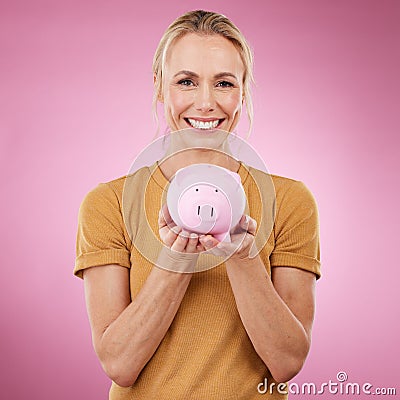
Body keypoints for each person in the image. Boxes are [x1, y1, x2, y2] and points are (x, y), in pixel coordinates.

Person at [74, 10, 321, 400]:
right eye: (186, 81)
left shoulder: (291, 202)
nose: (205, 103)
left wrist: (241, 257)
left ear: (243, 92)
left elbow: (287, 361)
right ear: (159, 87)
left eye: (224, 83)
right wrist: (176, 260)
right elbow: (119, 365)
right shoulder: (109, 204)